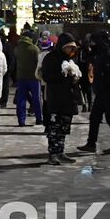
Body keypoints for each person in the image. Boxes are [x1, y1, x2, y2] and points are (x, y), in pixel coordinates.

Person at [78, 32, 110, 155]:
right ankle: (91, 144)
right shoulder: (98, 53)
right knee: (94, 118)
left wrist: (103, 83)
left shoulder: (107, 54)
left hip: (108, 93)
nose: (91, 44)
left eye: (93, 42)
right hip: (101, 92)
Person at [41, 33, 83, 166]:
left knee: (64, 128)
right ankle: (52, 154)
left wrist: (75, 78)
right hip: (56, 98)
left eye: (72, 48)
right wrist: (64, 75)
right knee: (55, 128)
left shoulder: (70, 59)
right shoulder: (51, 58)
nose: (70, 50)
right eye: (68, 47)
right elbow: (47, 77)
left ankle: (60, 152)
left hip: (68, 99)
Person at [13, 30, 42, 127]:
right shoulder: (34, 49)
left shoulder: (17, 48)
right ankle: (39, 118)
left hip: (21, 77)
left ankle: (21, 121)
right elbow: (38, 63)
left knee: (21, 99)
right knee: (36, 99)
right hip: (33, 77)